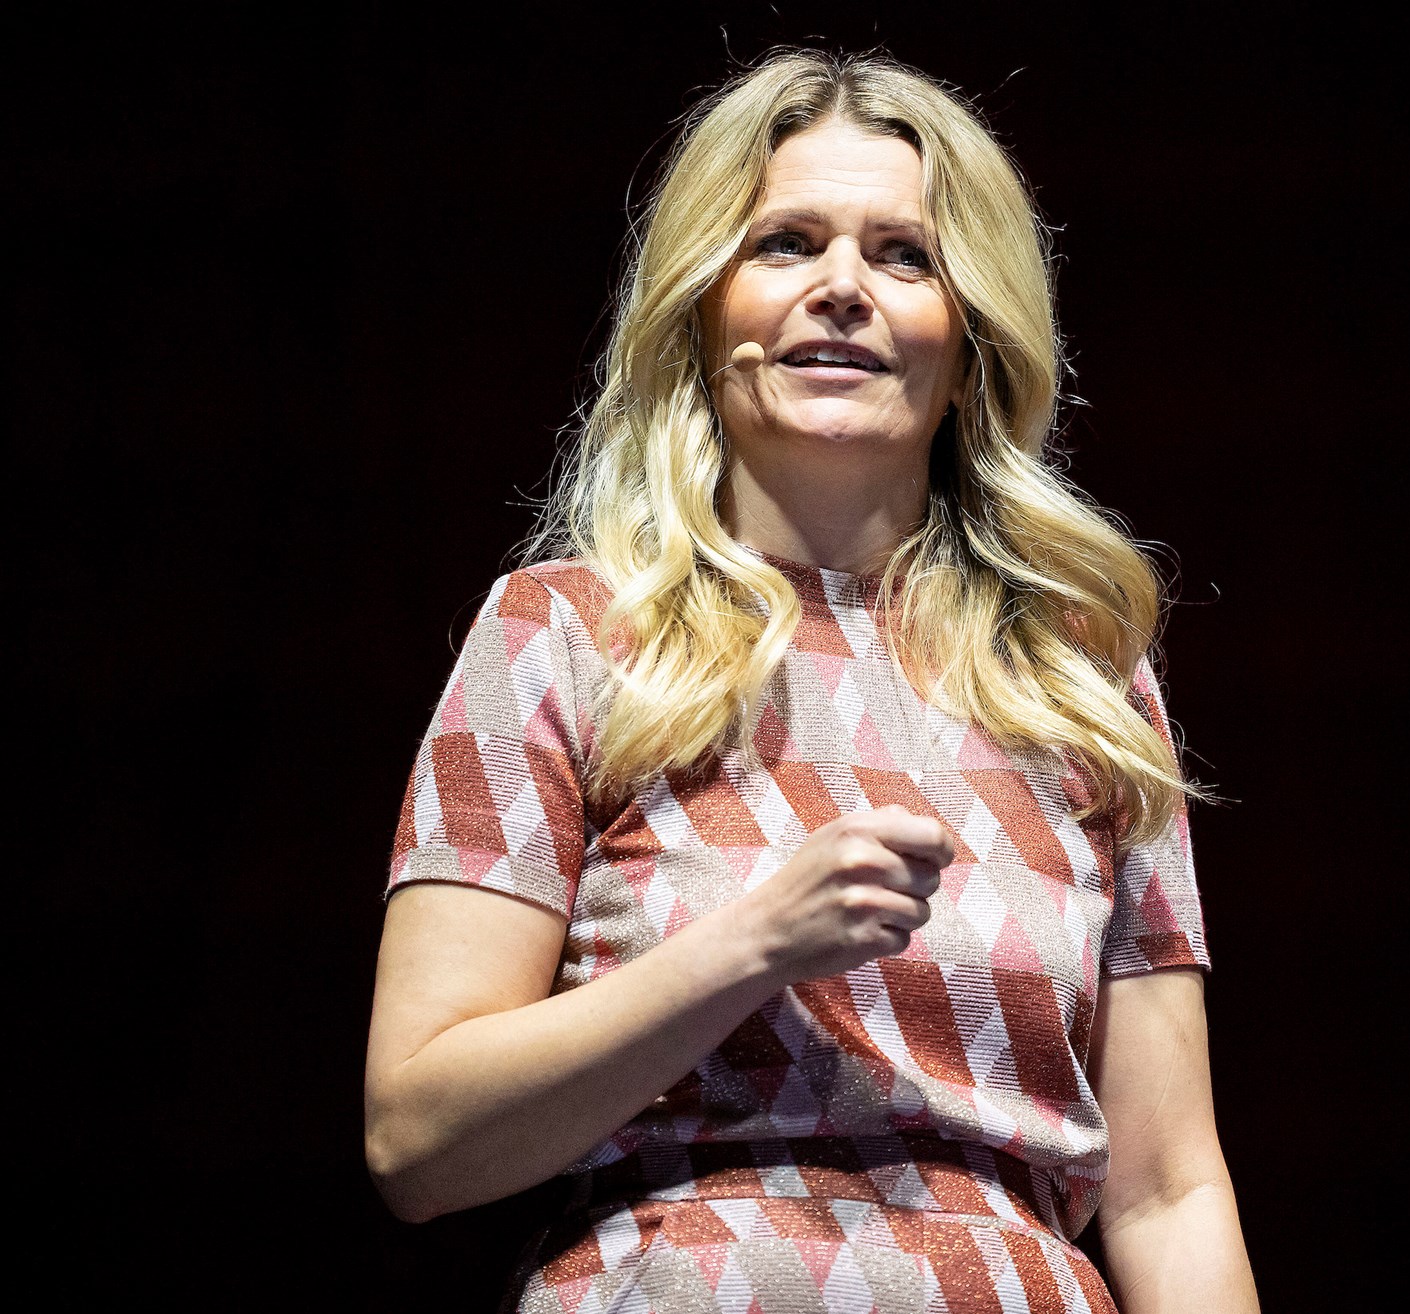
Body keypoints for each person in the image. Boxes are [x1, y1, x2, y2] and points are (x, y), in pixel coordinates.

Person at [365, 48, 1260, 1314]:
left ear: (972, 346)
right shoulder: (560, 635)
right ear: (703, 313)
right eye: (785, 244)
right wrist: (752, 945)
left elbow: (1169, 1192)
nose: (842, 288)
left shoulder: (1075, 676)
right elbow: (417, 1143)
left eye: (905, 257)